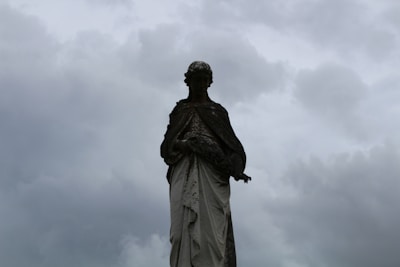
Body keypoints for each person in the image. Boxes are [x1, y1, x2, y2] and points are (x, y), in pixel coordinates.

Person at [161, 61, 251, 267]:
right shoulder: (180, 111)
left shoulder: (217, 112)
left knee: (210, 237)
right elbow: (166, 147)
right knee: (179, 234)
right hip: (184, 169)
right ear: (188, 81)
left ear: (210, 82)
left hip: (212, 174)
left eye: (204, 79)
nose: (200, 83)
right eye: (196, 79)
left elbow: (233, 147)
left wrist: (235, 166)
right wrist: (184, 145)